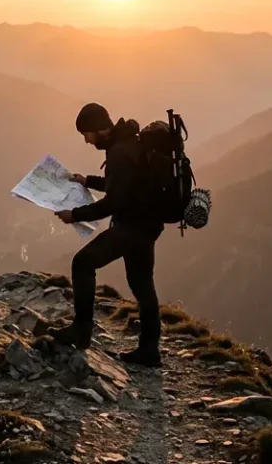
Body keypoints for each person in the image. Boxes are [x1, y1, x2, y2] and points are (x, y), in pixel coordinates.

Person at [53, 102, 165, 368]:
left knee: (83, 263)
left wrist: (75, 215)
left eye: (87, 134)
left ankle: (82, 331)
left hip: (131, 227)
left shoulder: (118, 152)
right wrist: (88, 181)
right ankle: (150, 350)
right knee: (141, 284)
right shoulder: (130, 143)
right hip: (148, 225)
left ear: (98, 129)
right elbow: (123, 184)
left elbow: (113, 202)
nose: (86, 141)